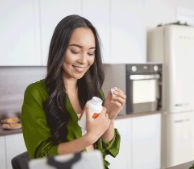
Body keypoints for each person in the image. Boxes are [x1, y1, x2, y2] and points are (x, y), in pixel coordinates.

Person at [21, 14, 126, 169]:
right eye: (75, 51)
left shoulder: (93, 91)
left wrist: (110, 115)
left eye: (90, 53)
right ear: (59, 49)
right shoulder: (36, 93)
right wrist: (89, 138)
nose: (84, 60)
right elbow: (41, 156)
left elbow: (109, 147)